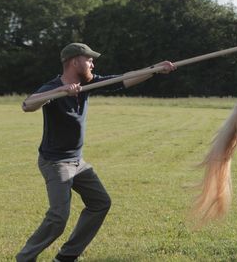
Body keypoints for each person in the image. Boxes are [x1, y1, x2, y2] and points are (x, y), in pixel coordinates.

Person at [17, 43, 176, 262]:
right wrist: (59, 92)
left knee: (100, 202)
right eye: (89, 59)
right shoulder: (53, 87)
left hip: (77, 162)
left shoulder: (88, 84)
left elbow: (124, 79)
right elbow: (27, 105)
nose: (93, 63)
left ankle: (67, 256)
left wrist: (154, 69)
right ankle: (25, 258)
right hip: (56, 162)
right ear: (74, 61)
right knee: (58, 217)